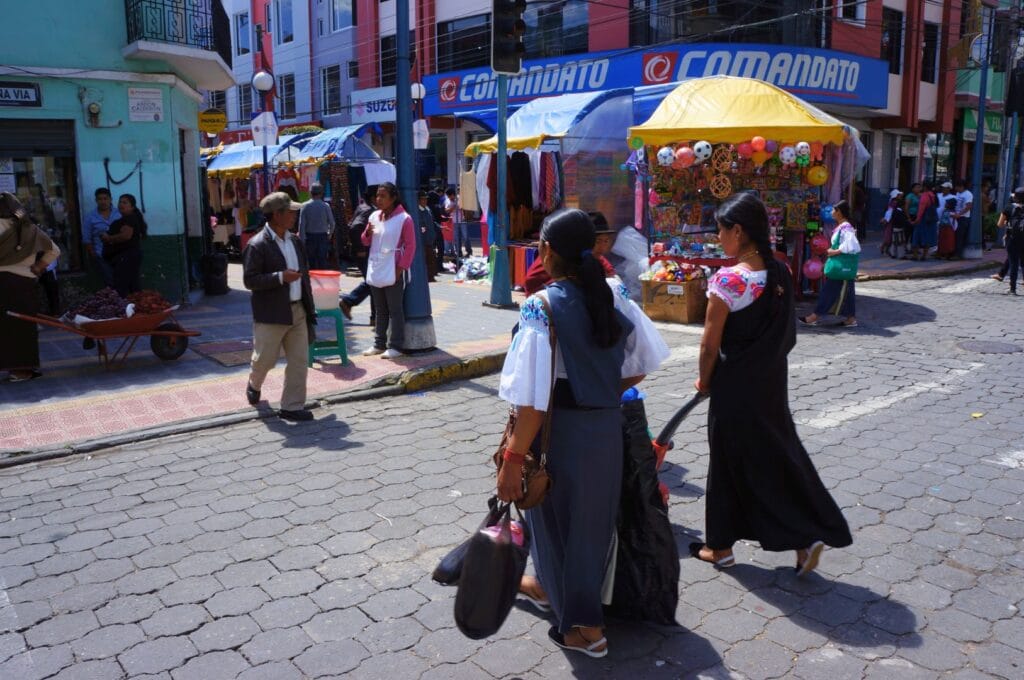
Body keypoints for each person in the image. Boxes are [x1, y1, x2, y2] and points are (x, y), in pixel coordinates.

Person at [496, 208, 667, 658]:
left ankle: (585, 629)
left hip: (559, 434)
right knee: (589, 528)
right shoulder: (612, 293)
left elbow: (532, 401)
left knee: (552, 523)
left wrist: (512, 461)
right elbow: (643, 363)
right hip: (604, 428)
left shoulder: (541, 305)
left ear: (548, 250)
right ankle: (563, 599)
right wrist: (601, 392)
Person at [691, 192, 851, 575]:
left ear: (739, 231)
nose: (718, 238)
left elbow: (709, 344)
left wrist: (704, 381)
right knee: (775, 458)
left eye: (721, 230)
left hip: (734, 389)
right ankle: (801, 538)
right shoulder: (780, 272)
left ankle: (721, 547)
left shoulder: (728, 280)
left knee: (730, 464)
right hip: (770, 385)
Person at [243, 192, 317, 422]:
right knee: (264, 359)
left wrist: (309, 308)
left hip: (297, 310)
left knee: (299, 360)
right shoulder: (257, 245)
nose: (295, 215)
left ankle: (292, 406)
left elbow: (304, 277)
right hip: (271, 312)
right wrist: (279, 277)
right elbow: (250, 280)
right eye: (290, 211)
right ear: (276, 215)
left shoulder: (295, 241)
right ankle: (254, 383)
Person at [0, 192, 60, 382]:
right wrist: (38, 267)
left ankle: (13, 368)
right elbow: (55, 250)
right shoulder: (29, 229)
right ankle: (21, 371)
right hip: (24, 285)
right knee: (22, 330)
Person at [361, 182, 416, 359]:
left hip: (393, 269)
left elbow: (410, 246)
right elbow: (365, 241)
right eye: (377, 195)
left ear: (393, 198)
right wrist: (367, 233)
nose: (378, 199)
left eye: (383, 196)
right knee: (379, 308)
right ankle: (379, 343)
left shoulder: (405, 219)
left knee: (395, 309)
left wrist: (401, 269)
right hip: (377, 267)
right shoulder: (374, 216)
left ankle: (396, 345)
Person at [799, 200, 861, 328]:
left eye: (833, 210)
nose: (831, 212)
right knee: (847, 291)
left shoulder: (846, 228)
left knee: (830, 290)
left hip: (840, 265)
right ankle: (850, 318)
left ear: (839, 212)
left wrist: (835, 251)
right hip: (844, 267)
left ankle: (814, 316)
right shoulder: (843, 227)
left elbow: (853, 245)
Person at [523, 212, 617, 295]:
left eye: (606, 241)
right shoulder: (559, 259)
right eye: (598, 241)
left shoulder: (597, 262)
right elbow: (531, 283)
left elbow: (611, 274)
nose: (602, 247)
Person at [338, 188, 376, 323]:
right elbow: (354, 227)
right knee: (372, 283)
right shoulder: (368, 210)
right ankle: (348, 302)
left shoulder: (363, 207)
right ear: (372, 198)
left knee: (373, 283)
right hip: (363, 252)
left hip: (362, 251)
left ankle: (374, 317)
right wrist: (360, 247)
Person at [101, 193, 146, 296]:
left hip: (127, 257)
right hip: (124, 257)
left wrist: (109, 238)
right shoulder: (123, 220)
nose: (121, 204)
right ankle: (133, 308)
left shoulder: (130, 218)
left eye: (125, 202)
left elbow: (126, 236)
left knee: (123, 286)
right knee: (132, 285)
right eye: (120, 202)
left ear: (132, 207)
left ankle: (127, 309)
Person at [82, 187, 118, 288]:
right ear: (96, 201)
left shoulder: (119, 214)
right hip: (101, 255)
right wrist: (94, 255)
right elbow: (86, 239)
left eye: (105, 198)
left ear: (110, 199)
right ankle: (113, 302)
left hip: (119, 254)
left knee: (121, 280)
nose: (103, 201)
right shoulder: (90, 217)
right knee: (110, 281)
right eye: (100, 199)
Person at [298, 183, 334, 270]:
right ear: (321, 194)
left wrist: (302, 240)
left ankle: (312, 281)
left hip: (309, 237)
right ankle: (322, 280)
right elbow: (332, 223)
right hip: (323, 236)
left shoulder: (305, 206)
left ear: (310, 193)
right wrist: (329, 234)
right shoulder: (326, 206)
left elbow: (301, 224)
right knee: (322, 261)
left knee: (311, 262)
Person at [996, 187, 1024, 296]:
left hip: (1012, 239)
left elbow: (999, 224)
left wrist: (1009, 223)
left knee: (1014, 263)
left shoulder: (1009, 208)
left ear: (1015, 197)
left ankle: (1013, 289)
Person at [909, 182, 938, 261]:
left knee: (916, 236)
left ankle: (915, 255)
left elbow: (921, 209)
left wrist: (916, 220)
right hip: (931, 219)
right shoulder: (933, 195)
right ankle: (924, 255)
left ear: (925, 187)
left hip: (923, 220)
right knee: (927, 238)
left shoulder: (925, 196)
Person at [415, 191, 438, 282]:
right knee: (425, 260)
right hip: (423, 241)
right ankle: (427, 277)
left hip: (430, 239)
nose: (425, 201)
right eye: (423, 199)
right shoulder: (417, 212)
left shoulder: (427, 210)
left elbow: (432, 222)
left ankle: (430, 276)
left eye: (426, 199)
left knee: (431, 259)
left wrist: (440, 227)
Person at [445, 188, 472, 258]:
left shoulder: (460, 198)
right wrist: (453, 207)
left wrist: (462, 207)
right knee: (456, 238)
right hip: (454, 222)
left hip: (462, 221)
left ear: (453, 195)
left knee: (466, 237)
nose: (449, 198)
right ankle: (459, 252)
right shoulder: (448, 201)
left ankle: (469, 251)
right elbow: (447, 211)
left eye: (449, 196)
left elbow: (465, 207)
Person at [953, 178, 973, 259]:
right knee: (955, 235)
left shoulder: (968, 194)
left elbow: (968, 206)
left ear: (961, 187)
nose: (956, 188)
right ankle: (954, 252)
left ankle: (958, 254)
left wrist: (959, 214)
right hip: (956, 216)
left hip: (963, 218)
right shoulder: (958, 193)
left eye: (957, 187)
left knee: (960, 236)